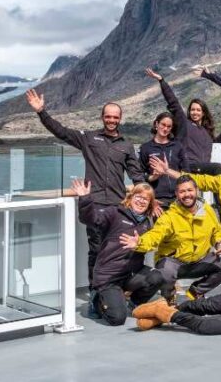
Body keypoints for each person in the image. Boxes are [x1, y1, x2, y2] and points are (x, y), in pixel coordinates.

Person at [25, 88, 145, 311]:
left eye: (115, 117)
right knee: (97, 250)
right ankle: (95, 295)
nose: (111, 120)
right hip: (96, 205)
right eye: (108, 116)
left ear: (120, 119)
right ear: (102, 117)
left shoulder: (126, 146)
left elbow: (136, 175)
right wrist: (41, 112)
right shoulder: (89, 138)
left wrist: (152, 194)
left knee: (118, 250)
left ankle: (114, 291)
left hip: (119, 207)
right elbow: (61, 132)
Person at [119, 175, 221, 301]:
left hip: (199, 261)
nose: (186, 195)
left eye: (190, 190)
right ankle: (169, 296)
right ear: (176, 194)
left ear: (196, 190)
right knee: (164, 271)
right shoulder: (169, 216)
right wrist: (139, 242)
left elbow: (217, 231)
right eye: (182, 191)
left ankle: (196, 291)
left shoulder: (208, 211)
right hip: (175, 264)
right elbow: (155, 235)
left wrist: (220, 242)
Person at [74, 179, 164, 326]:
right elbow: (91, 219)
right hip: (109, 277)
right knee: (117, 318)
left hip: (130, 275)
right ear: (130, 197)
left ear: (150, 204)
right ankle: (97, 299)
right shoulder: (115, 213)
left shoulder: (147, 223)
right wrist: (85, 199)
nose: (141, 201)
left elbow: (156, 238)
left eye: (146, 199)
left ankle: (134, 302)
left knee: (157, 277)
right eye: (138, 196)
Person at [140, 68, 189, 205]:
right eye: (163, 125)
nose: (165, 129)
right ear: (156, 124)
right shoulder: (146, 148)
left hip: (178, 199)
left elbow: (186, 175)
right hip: (157, 202)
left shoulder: (177, 146)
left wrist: (168, 171)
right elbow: (142, 177)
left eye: (169, 127)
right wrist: (154, 177)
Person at [183, 97, 221, 175]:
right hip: (190, 165)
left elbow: (214, 144)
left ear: (203, 113)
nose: (195, 112)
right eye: (192, 110)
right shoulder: (186, 126)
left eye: (198, 110)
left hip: (203, 166)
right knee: (218, 168)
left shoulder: (206, 130)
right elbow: (174, 106)